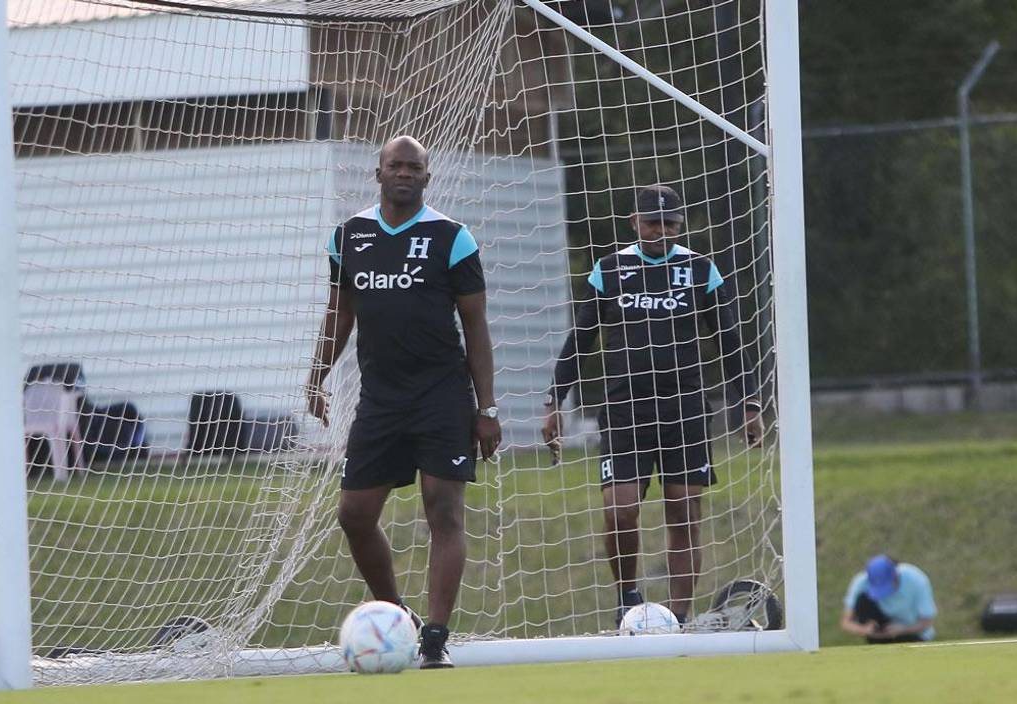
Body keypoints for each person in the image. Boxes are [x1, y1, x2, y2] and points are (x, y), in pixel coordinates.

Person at [305, 135, 501, 669]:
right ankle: (396, 614)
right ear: (379, 173)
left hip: (441, 396)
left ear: (426, 177)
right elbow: (340, 313)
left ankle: (435, 636)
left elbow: (475, 326)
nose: (405, 174)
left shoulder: (453, 239)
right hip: (381, 399)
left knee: (443, 508)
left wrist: (486, 408)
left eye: (415, 167)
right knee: (354, 513)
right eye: (396, 165)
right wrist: (316, 375)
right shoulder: (349, 237)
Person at [542, 185, 762, 627]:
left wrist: (748, 402)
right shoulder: (611, 270)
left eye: (670, 224)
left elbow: (729, 341)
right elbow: (580, 340)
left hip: (685, 411)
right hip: (625, 412)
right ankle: (626, 597)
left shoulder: (699, 270)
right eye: (651, 222)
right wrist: (555, 400)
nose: (660, 230)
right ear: (634, 223)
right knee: (620, 511)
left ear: (680, 226)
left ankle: (678, 620)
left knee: (683, 513)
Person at [840, 555, 936, 642]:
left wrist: (902, 630)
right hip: (878, 639)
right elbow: (846, 622)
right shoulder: (861, 582)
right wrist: (865, 629)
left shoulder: (917, 579)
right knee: (863, 598)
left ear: (895, 575)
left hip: (915, 635)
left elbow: (927, 621)